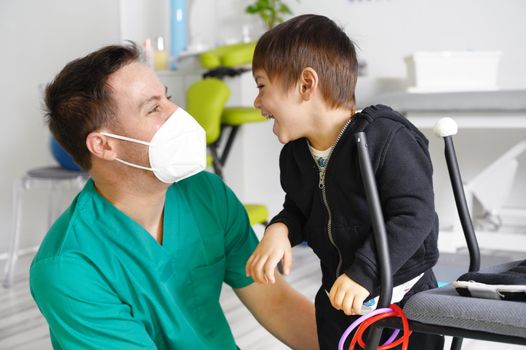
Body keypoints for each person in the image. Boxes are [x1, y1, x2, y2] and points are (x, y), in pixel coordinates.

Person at [29, 42, 318, 350]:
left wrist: (349, 343)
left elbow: (276, 304)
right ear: (103, 145)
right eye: (153, 108)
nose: (178, 114)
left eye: (167, 98)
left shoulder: (207, 194)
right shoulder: (68, 268)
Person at [245, 14, 444, 349]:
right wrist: (280, 228)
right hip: (339, 300)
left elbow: (415, 215)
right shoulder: (295, 156)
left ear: (306, 84)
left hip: (405, 303)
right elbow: (299, 209)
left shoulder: (386, 137)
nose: (257, 102)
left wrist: (364, 272)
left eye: (262, 86)